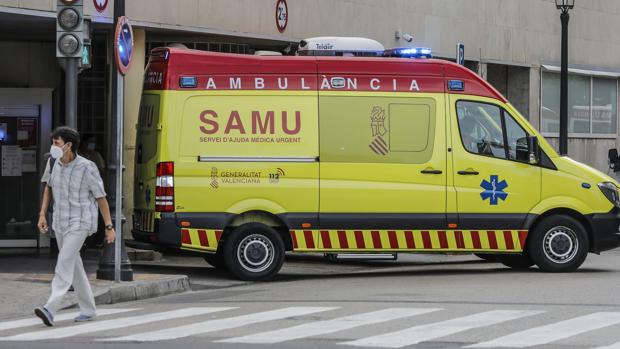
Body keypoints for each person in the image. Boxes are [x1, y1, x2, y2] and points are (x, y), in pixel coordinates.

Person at [35, 126, 116, 326]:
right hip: (60, 221)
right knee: (75, 265)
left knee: (64, 263)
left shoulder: (87, 167)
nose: (53, 146)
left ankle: (50, 308)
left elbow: (101, 197)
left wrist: (109, 226)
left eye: (57, 143)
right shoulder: (52, 162)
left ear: (68, 145)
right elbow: (48, 188)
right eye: (53, 142)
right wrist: (42, 214)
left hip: (80, 222)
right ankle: (89, 309)